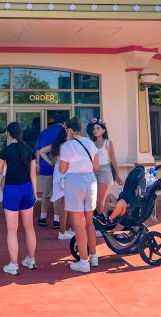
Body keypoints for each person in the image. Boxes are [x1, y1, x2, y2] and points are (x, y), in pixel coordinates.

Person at [59, 117, 99, 273]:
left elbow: (62, 169)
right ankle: (94, 256)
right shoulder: (90, 143)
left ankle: (83, 262)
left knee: (78, 224)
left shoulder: (68, 146)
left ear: (69, 129)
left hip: (74, 182)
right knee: (89, 222)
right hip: (90, 181)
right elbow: (96, 166)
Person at [0, 122, 37, 276]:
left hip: (12, 189)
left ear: (9, 134)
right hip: (27, 188)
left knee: (12, 229)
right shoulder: (29, 149)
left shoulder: (6, 150)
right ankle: (31, 260)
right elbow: (33, 174)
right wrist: (34, 193)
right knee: (29, 227)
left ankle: (14, 265)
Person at [37, 125, 74, 240]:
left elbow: (41, 151)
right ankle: (63, 225)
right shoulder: (68, 145)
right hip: (67, 174)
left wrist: (50, 162)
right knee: (68, 202)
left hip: (57, 174)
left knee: (57, 198)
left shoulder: (56, 145)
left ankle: (58, 223)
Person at [35, 114, 65, 229]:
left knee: (45, 194)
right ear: (64, 123)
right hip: (62, 169)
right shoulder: (65, 133)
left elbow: (38, 150)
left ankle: (43, 217)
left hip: (46, 167)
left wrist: (39, 164)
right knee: (58, 195)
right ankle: (56, 220)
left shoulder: (44, 132)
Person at [90, 118, 123, 217]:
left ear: (103, 130)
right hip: (94, 171)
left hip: (105, 171)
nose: (95, 130)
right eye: (94, 129)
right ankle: (103, 218)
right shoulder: (92, 143)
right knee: (95, 200)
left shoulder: (108, 143)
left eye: (98, 128)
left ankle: (101, 222)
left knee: (100, 201)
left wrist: (118, 176)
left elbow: (113, 160)